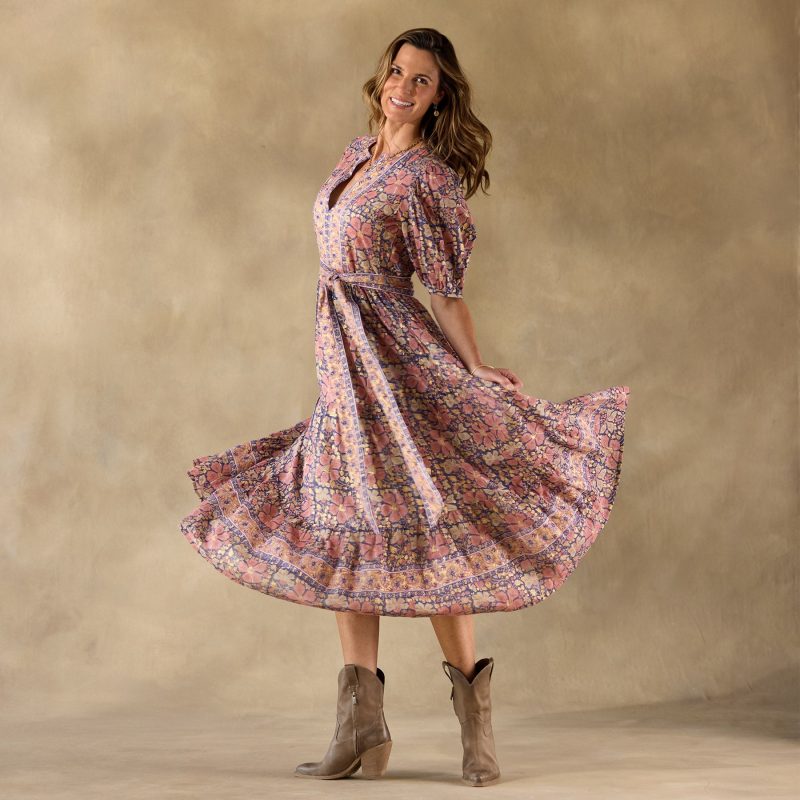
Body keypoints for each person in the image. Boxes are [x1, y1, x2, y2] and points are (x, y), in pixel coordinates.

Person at [179, 27, 629, 787]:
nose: (404, 87)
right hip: (343, 370)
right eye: (397, 71)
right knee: (348, 521)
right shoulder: (357, 156)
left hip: (398, 363)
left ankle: (476, 729)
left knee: (431, 529)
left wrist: (474, 366)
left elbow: (444, 291)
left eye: (422, 79)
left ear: (441, 95)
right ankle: (361, 730)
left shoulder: (427, 178)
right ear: (382, 77)